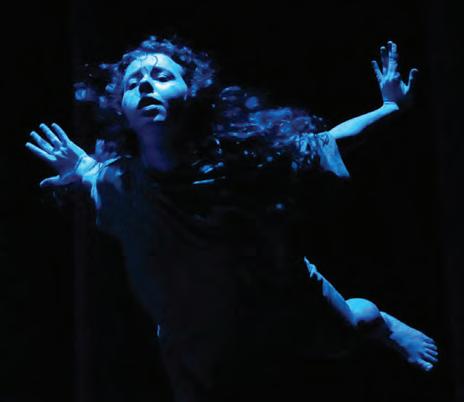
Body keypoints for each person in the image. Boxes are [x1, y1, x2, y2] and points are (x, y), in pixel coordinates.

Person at [25, 36, 438, 401]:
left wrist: (390, 108)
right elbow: (92, 175)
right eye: (133, 84)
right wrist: (81, 170)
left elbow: (333, 142)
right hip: (193, 334)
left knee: (347, 329)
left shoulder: (248, 157)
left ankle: (382, 324)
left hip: (280, 299)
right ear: (123, 112)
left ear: (192, 93)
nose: (146, 85)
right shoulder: (120, 182)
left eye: (161, 77)